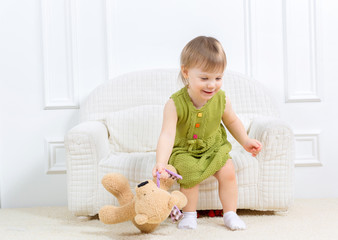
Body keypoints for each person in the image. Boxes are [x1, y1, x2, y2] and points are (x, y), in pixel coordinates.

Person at [152, 36, 262, 230]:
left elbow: (232, 121)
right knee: (189, 173)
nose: (212, 85)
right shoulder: (175, 104)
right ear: (186, 72)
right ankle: (189, 214)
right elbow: (167, 135)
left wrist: (245, 140)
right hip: (185, 150)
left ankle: (230, 214)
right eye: (204, 78)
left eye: (218, 78)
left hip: (213, 147)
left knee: (228, 171)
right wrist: (161, 162)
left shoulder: (222, 99)